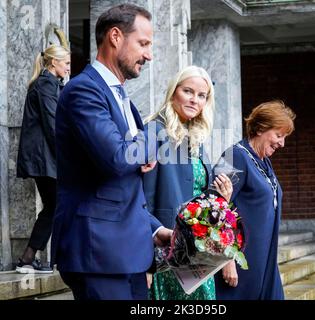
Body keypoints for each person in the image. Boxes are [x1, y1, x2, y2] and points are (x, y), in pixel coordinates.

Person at [51, 4, 172, 300]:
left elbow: (124, 183)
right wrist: (156, 131)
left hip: (129, 253)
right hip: (98, 253)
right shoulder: (83, 90)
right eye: (143, 43)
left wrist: (155, 231)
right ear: (115, 36)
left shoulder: (124, 100)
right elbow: (117, 160)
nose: (149, 55)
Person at [143, 65, 233, 300]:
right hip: (168, 253)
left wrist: (221, 197)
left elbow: (198, 195)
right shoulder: (155, 132)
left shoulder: (195, 138)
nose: (195, 100)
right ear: (174, 92)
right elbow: (141, 200)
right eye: (188, 91)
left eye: (201, 95)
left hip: (198, 254)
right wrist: (146, 260)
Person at [214, 100, 296, 300]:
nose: (282, 143)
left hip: (266, 263)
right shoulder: (234, 156)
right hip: (241, 267)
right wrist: (227, 260)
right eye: (278, 135)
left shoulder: (264, 162)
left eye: (284, 137)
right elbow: (213, 208)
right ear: (260, 128)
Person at [16, 44, 71, 274]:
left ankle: (29, 258)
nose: (69, 67)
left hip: (43, 158)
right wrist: (67, 157)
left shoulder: (49, 83)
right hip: (44, 158)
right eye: (66, 63)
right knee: (56, 205)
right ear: (53, 63)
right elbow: (53, 124)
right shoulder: (46, 83)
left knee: (54, 205)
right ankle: (31, 258)